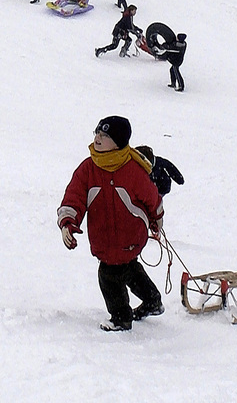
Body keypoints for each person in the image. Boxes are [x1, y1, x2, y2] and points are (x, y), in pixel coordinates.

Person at [57, 116, 164, 332]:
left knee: (109, 275)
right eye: (97, 133)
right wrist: (68, 222)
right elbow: (74, 196)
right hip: (105, 236)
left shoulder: (132, 169)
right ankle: (152, 300)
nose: (98, 138)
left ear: (118, 142)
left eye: (105, 135)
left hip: (130, 234)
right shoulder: (88, 169)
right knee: (128, 268)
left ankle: (121, 318)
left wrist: (157, 219)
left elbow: (152, 197)